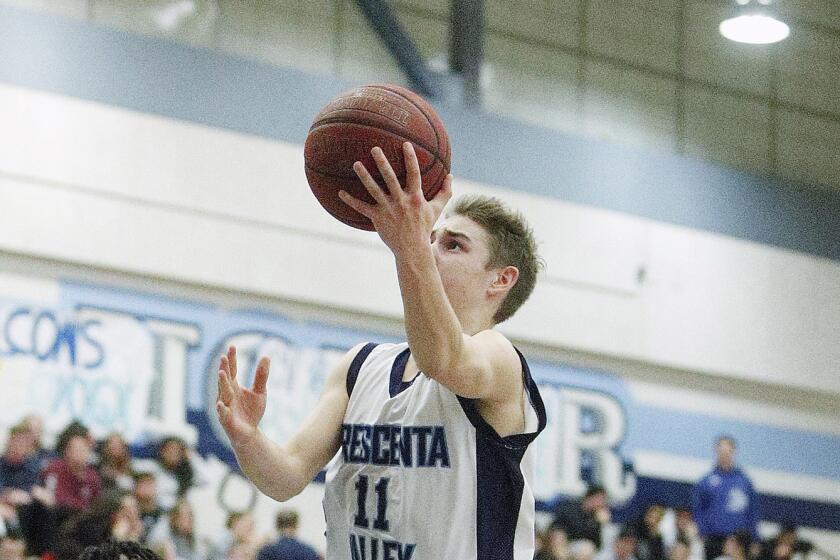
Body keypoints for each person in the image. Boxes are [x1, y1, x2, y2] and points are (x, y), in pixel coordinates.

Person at [216, 142, 546, 559]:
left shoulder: (499, 361)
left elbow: (442, 359)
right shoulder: (360, 366)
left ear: (500, 280)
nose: (429, 249)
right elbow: (286, 478)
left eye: (454, 245)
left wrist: (409, 248)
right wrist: (248, 440)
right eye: (431, 239)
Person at [692, 437, 759, 560]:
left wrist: (754, 537)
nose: (724, 455)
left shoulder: (744, 482)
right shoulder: (706, 481)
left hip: (739, 540)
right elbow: (698, 509)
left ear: (733, 452)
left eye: (727, 451)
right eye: (721, 451)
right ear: (716, 452)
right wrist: (702, 532)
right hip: (713, 539)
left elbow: (753, 511)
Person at [551, 485, 611, 549]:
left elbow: (597, 544)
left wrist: (600, 524)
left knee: (587, 548)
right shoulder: (571, 507)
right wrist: (595, 522)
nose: (602, 504)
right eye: (600, 499)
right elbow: (575, 530)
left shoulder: (596, 517)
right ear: (590, 497)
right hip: (562, 541)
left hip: (579, 546)